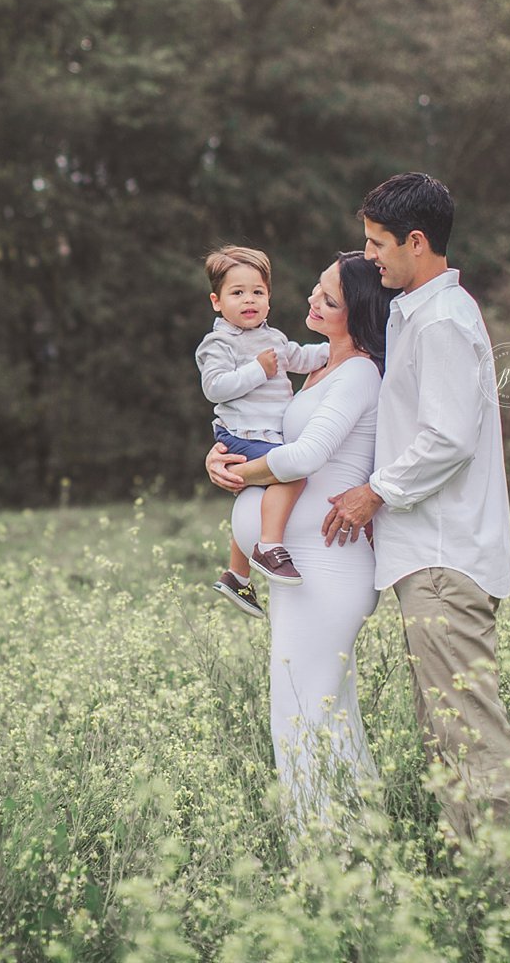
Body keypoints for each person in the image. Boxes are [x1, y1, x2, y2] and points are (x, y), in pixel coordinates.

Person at [322, 172, 510, 856]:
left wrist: (374, 491)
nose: (371, 257)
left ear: (416, 242)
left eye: (377, 244)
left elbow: (448, 437)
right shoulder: (420, 311)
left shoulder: (443, 320)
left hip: (444, 559)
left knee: (470, 730)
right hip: (430, 557)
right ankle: (485, 879)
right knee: (447, 730)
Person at [206, 251, 396, 818]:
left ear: (356, 315)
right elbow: (258, 429)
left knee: (300, 714)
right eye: (316, 288)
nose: (312, 300)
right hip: (299, 568)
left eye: (329, 299)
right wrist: (218, 458)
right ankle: (354, 854)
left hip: (329, 567)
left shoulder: (359, 371)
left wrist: (244, 473)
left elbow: (309, 455)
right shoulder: (315, 366)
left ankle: (322, 858)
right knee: (324, 713)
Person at [196, 245, 330, 617]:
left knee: (252, 501)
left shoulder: (272, 339)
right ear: (217, 302)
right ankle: (269, 547)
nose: (249, 300)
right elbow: (215, 387)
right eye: (237, 293)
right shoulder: (219, 343)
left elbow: (301, 356)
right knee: (292, 476)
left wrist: (334, 352)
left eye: (257, 292)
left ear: (269, 298)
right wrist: (258, 369)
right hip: (241, 434)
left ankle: (237, 576)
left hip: (265, 436)